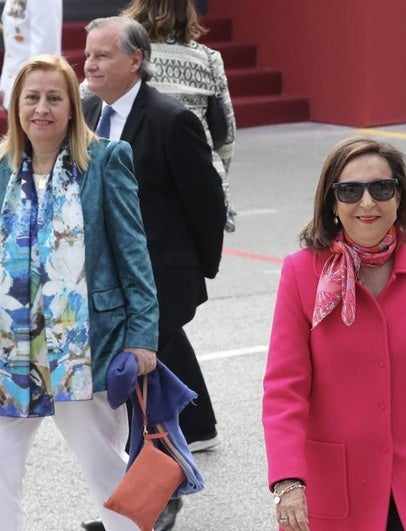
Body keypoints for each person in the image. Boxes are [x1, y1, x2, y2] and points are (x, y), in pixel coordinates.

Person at [262, 137, 406, 530]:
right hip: (335, 486)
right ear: (331, 202)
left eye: (382, 188)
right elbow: (284, 390)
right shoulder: (301, 273)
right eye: (350, 190)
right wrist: (288, 481)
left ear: (399, 197)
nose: (367, 203)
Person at [0, 54, 159, 531]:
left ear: (73, 106)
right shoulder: (1, 170)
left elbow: (134, 255)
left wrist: (143, 337)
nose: (41, 109)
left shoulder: (107, 160)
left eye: (54, 98)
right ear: (15, 106)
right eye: (32, 98)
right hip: (12, 349)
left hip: (83, 349)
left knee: (105, 470)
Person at [80, 16, 226, 531]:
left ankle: (154, 500)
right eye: (87, 54)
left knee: (139, 387)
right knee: (136, 389)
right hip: (108, 280)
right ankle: (136, 497)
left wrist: (196, 273)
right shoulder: (88, 111)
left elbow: (206, 202)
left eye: (101, 56)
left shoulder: (170, 119)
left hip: (161, 276)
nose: (89, 64)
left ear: (135, 60)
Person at [120, 0, 238, 233]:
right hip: (198, 182)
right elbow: (226, 135)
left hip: (138, 183)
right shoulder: (208, 58)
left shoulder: (127, 58)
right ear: (188, 11)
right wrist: (217, 176)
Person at [0, 0, 62, 109]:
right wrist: (4, 86)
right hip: (14, 84)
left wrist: (32, 93)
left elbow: (44, 50)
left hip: (32, 90)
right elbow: (13, 49)